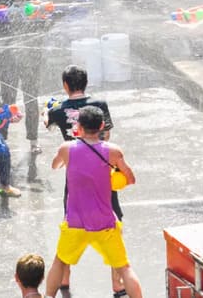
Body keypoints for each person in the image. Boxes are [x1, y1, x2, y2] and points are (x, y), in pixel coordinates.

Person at [45, 106, 142, 298]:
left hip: (74, 223)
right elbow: (131, 179)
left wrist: (69, 158)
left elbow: (54, 165)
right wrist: (114, 176)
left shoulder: (67, 149)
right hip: (104, 223)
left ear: (78, 126)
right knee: (124, 268)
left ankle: (48, 297)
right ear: (102, 126)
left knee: (59, 262)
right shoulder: (113, 151)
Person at [45, 65, 121, 295]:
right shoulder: (99, 105)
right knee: (113, 227)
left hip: (74, 176)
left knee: (70, 228)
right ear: (85, 83)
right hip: (102, 173)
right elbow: (106, 135)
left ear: (65, 85)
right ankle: (118, 285)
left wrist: (45, 113)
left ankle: (64, 282)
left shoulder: (58, 109)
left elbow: (47, 125)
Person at [0, 0, 49, 156]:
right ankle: (2, 139)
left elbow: (43, 27)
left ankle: (34, 141)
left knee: (31, 100)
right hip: (7, 60)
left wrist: (43, 14)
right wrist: (21, 11)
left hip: (30, 59)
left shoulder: (32, 4)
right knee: (8, 99)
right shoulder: (2, 2)